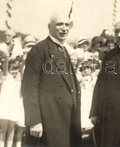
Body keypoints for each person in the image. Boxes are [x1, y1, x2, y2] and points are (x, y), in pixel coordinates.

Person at [21, 12, 82, 146]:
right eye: (59, 24)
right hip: (48, 119)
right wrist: (34, 121)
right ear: (49, 27)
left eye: (67, 25)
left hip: (66, 119)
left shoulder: (63, 50)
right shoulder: (39, 50)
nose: (64, 28)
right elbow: (28, 88)